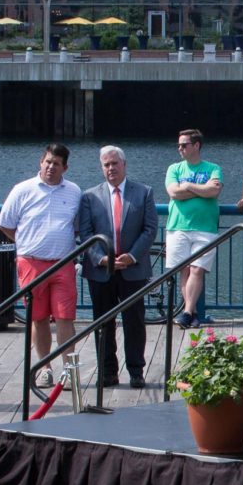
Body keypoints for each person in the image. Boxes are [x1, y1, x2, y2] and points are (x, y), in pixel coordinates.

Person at [0, 143, 82, 390]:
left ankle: (69, 371)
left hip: (64, 263)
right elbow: (5, 224)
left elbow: (76, 226)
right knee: (39, 318)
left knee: (66, 318)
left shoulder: (74, 191)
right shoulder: (22, 190)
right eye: (47, 162)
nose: (51, 167)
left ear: (65, 167)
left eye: (56, 163)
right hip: (30, 263)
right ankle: (44, 369)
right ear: (40, 162)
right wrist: (25, 243)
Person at [78, 145, 157, 389]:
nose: (111, 168)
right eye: (106, 165)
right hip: (101, 270)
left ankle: (136, 371)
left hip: (133, 269)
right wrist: (101, 258)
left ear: (124, 165)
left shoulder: (144, 192)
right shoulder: (89, 196)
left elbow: (150, 228)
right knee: (103, 323)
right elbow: (86, 232)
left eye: (114, 163)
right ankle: (108, 372)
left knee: (135, 321)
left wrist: (132, 256)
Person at [165, 129, 223, 330]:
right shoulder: (174, 168)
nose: (180, 148)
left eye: (184, 145)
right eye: (178, 145)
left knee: (198, 269)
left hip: (205, 227)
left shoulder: (213, 168)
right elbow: (174, 193)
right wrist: (202, 191)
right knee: (185, 271)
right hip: (178, 225)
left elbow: (214, 190)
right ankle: (193, 313)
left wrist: (188, 185)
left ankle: (187, 312)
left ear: (196, 145)